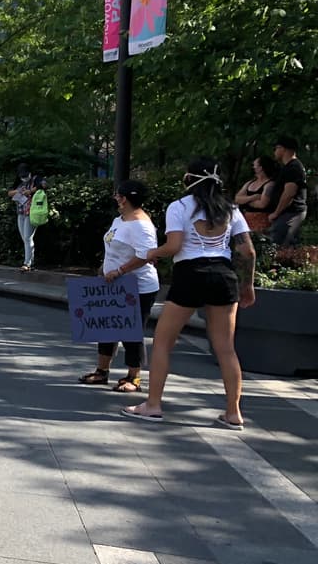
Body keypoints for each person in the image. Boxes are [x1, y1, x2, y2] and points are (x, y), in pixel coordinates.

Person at [123, 158, 255, 428]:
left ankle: (153, 404)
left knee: (162, 342)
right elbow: (247, 251)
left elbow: (174, 245)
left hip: (191, 275)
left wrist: (152, 253)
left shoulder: (179, 207)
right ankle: (233, 413)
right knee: (226, 348)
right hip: (223, 275)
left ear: (190, 178)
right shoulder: (230, 208)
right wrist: (247, 285)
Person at [77, 180, 160, 392]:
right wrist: (104, 268)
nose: (116, 199)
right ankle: (102, 371)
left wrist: (120, 271)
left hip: (137, 286)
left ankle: (134, 377)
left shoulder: (141, 225)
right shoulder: (120, 219)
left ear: (125, 198)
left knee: (131, 331)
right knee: (107, 326)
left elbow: (146, 255)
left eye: (118, 195)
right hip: (113, 283)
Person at [268, 136, 307, 246]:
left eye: (276, 148)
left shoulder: (294, 167)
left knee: (280, 245)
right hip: (287, 212)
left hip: (291, 212)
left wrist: (276, 213)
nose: (274, 152)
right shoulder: (288, 167)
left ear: (283, 149)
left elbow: (289, 194)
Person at [234, 155, 278, 233]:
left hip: (261, 221)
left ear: (261, 168)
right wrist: (253, 197)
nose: (253, 167)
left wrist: (244, 201)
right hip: (246, 220)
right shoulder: (250, 183)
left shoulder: (269, 184)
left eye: (255, 165)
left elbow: (262, 204)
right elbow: (237, 199)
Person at [8, 164, 37, 271]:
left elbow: (43, 185)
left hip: (31, 213)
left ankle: (27, 263)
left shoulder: (35, 180)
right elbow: (9, 193)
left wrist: (29, 191)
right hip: (20, 213)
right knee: (25, 238)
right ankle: (30, 260)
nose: (24, 178)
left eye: (26, 175)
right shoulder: (18, 182)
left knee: (28, 237)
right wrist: (18, 191)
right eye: (22, 176)